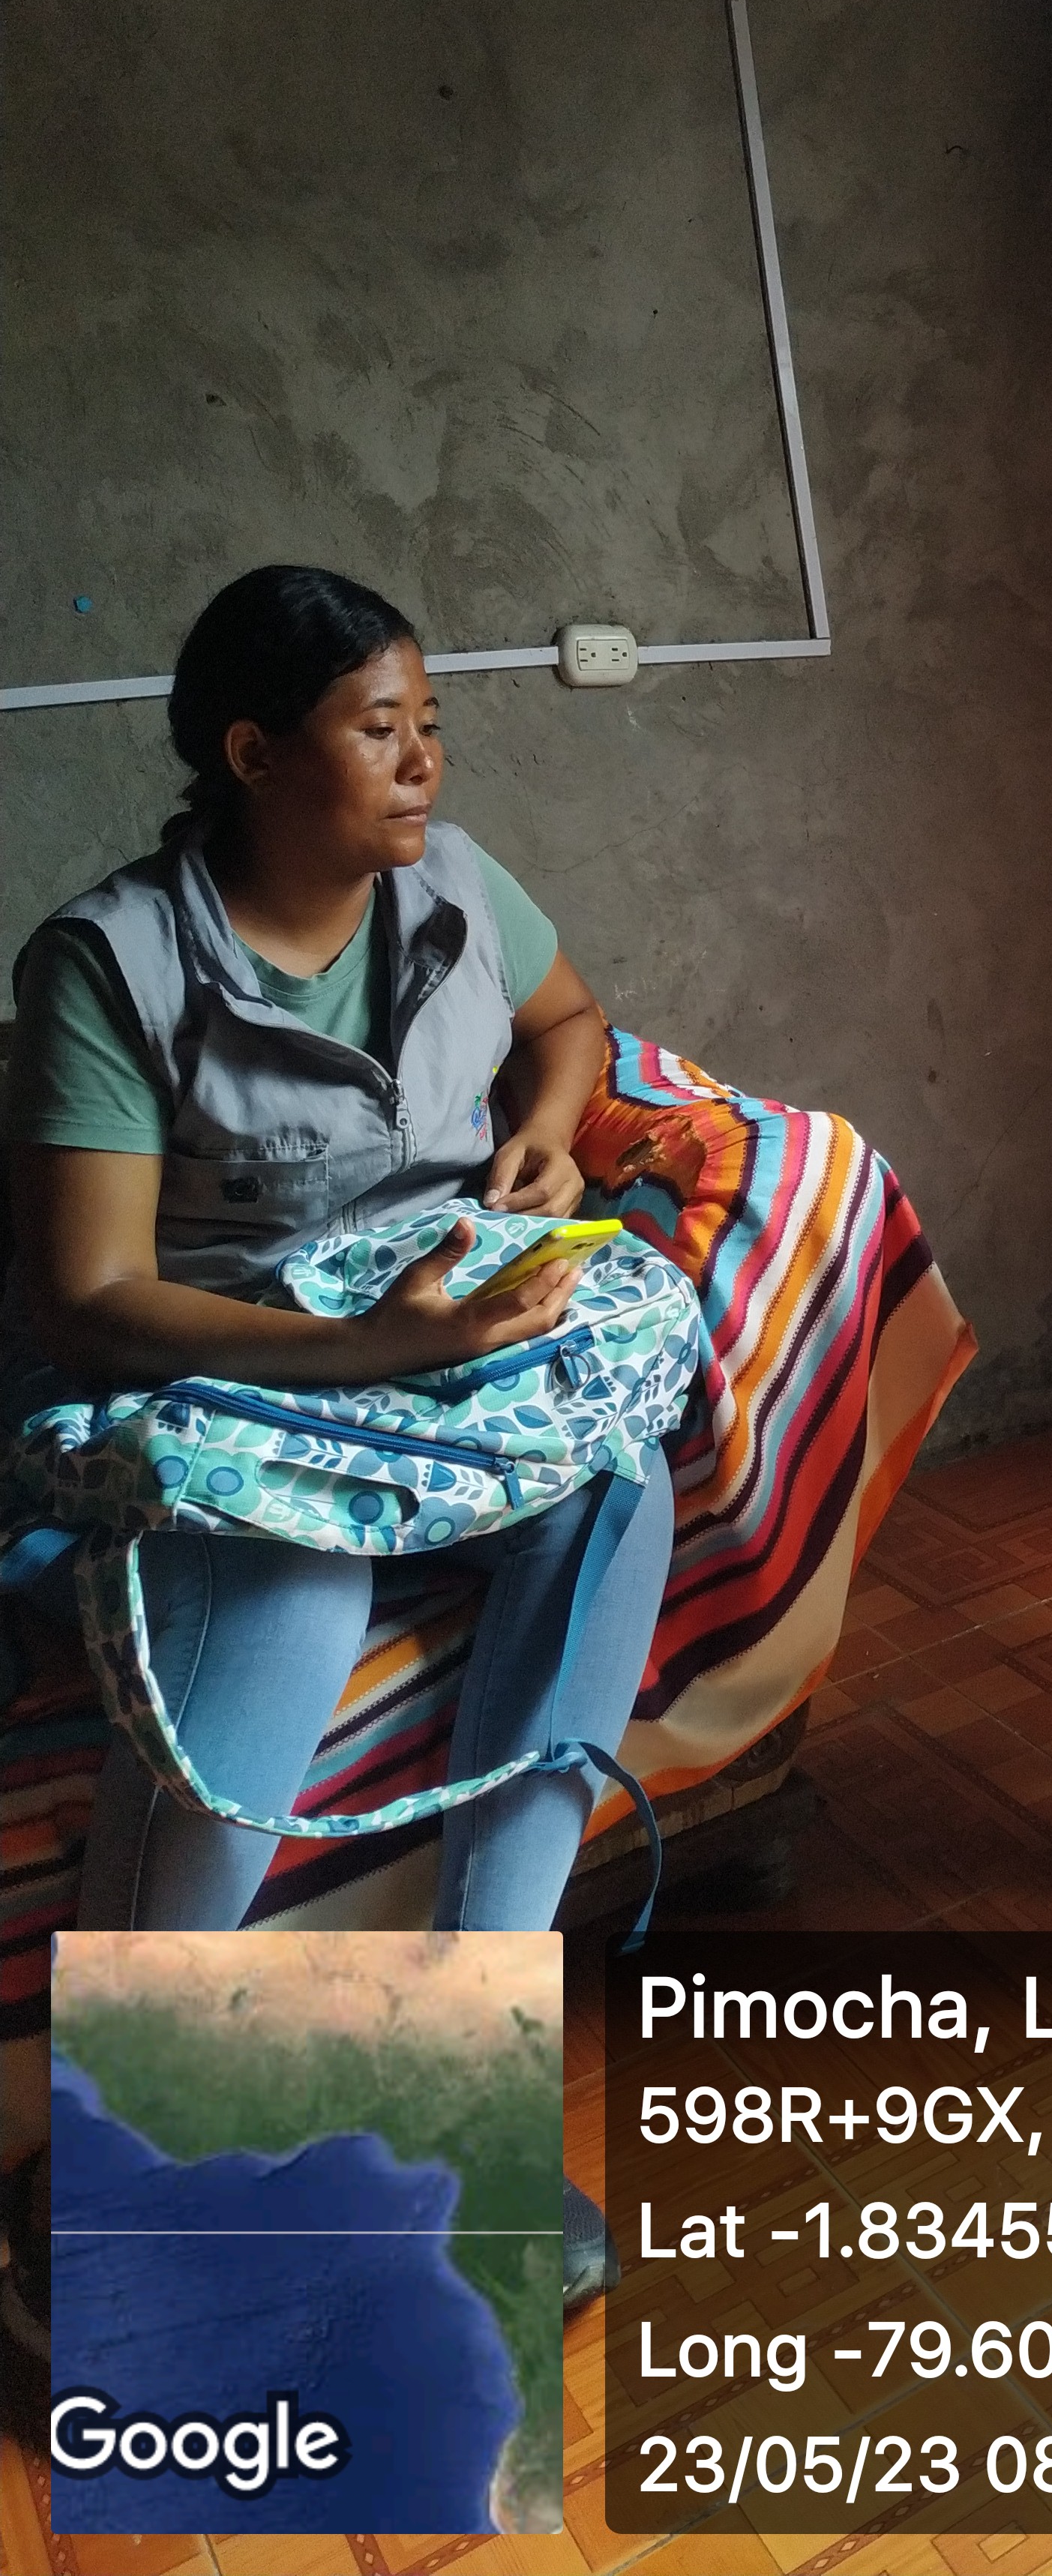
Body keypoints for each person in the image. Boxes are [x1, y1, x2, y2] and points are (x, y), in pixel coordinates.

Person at [2, 565, 684, 1935]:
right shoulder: (111, 966)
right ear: (254, 755)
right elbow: (92, 1301)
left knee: (615, 1489)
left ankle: (474, 1992)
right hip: (232, 1374)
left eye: (429, 723)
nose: (424, 762)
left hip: (429, 1337)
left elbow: (570, 1022)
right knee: (296, 1594)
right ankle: (134, 2072)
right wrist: (366, 1347)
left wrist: (547, 1132)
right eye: (380, 729)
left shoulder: (456, 884)